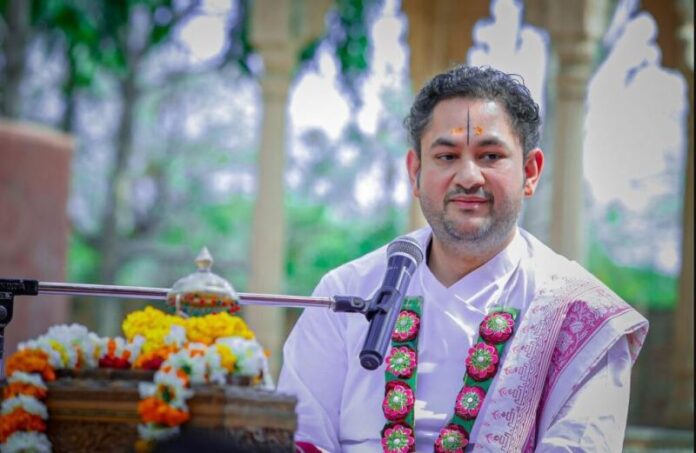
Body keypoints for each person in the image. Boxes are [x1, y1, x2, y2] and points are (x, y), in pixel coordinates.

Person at [277, 65, 649, 452]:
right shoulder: (347, 293)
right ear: (415, 172)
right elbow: (300, 435)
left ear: (530, 172)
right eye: (446, 156)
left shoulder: (583, 318)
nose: (469, 177)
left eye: (490, 155)